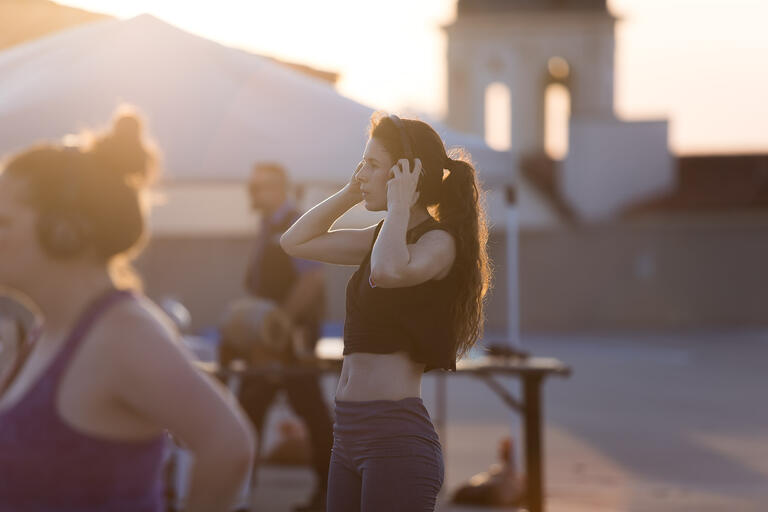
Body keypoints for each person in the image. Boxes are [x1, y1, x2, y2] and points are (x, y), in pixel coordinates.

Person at [0, 108, 254, 512]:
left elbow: (228, 444)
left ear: (64, 231)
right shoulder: (49, 331)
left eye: (4, 221)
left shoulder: (121, 334)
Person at [280, 113, 491, 511]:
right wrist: (349, 191)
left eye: (372, 165)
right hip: (347, 435)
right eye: (363, 164)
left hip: (395, 441)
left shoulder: (439, 242)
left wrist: (399, 206)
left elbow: (390, 271)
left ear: (406, 175)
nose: (363, 173)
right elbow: (295, 241)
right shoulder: (382, 239)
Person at [238, 162, 333, 512]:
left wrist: (280, 324)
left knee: (306, 411)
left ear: (278, 188)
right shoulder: (268, 226)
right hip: (269, 339)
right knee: (252, 410)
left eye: (258, 187)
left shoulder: (294, 222)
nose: (252, 194)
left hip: (290, 339)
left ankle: (330, 494)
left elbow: (312, 280)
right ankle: (240, 495)